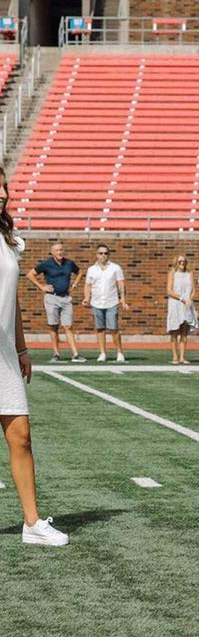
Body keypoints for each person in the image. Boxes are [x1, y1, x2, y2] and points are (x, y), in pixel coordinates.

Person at [0, 167, 67, 546]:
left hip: (4, 353)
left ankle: (32, 523)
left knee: (21, 436)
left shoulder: (9, 239)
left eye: (5, 186)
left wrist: (21, 348)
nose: (3, 193)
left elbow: (14, 304)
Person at [27, 240, 85, 363]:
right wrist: (42, 286)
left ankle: (75, 354)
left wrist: (74, 285)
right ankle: (56, 354)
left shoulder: (69, 263)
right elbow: (30, 274)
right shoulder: (46, 264)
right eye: (57, 250)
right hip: (52, 298)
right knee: (53, 326)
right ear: (52, 253)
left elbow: (80, 272)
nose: (59, 252)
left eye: (61, 250)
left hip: (66, 298)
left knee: (68, 326)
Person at [83, 244, 128, 363]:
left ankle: (119, 352)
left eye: (106, 253)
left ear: (109, 255)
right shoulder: (91, 269)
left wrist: (122, 298)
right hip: (96, 302)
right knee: (100, 328)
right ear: (97, 255)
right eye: (101, 253)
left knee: (113, 328)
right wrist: (87, 298)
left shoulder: (115, 268)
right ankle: (102, 353)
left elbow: (121, 284)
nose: (103, 255)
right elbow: (88, 285)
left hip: (111, 302)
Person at [166, 254, 198, 365]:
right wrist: (181, 298)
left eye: (183, 261)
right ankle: (175, 356)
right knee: (174, 331)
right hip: (175, 304)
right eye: (180, 262)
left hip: (187, 305)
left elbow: (194, 290)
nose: (182, 264)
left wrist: (190, 299)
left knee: (184, 332)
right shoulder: (172, 273)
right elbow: (169, 291)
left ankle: (182, 357)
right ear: (176, 262)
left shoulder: (189, 274)